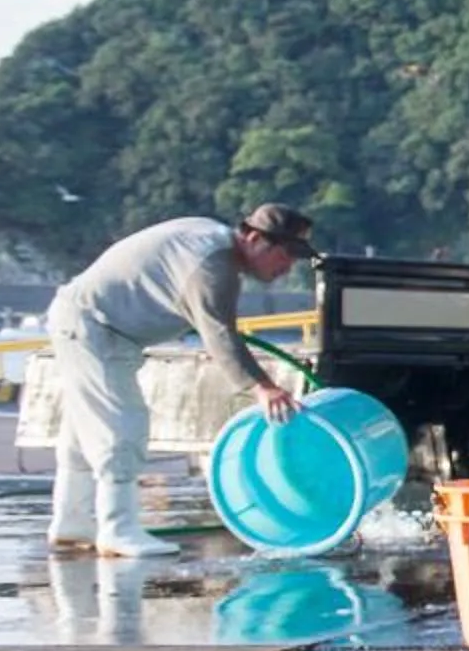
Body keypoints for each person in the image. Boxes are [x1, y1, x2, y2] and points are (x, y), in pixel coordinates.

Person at [44, 204, 313, 558]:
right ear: (253, 237)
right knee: (121, 425)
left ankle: (72, 520)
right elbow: (219, 335)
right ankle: (117, 528)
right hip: (94, 325)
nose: (287, 266)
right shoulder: (213, 266)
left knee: (84, 432)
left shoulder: (211, 241)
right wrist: (262, 387)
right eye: (284, 253)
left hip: (90, 321)